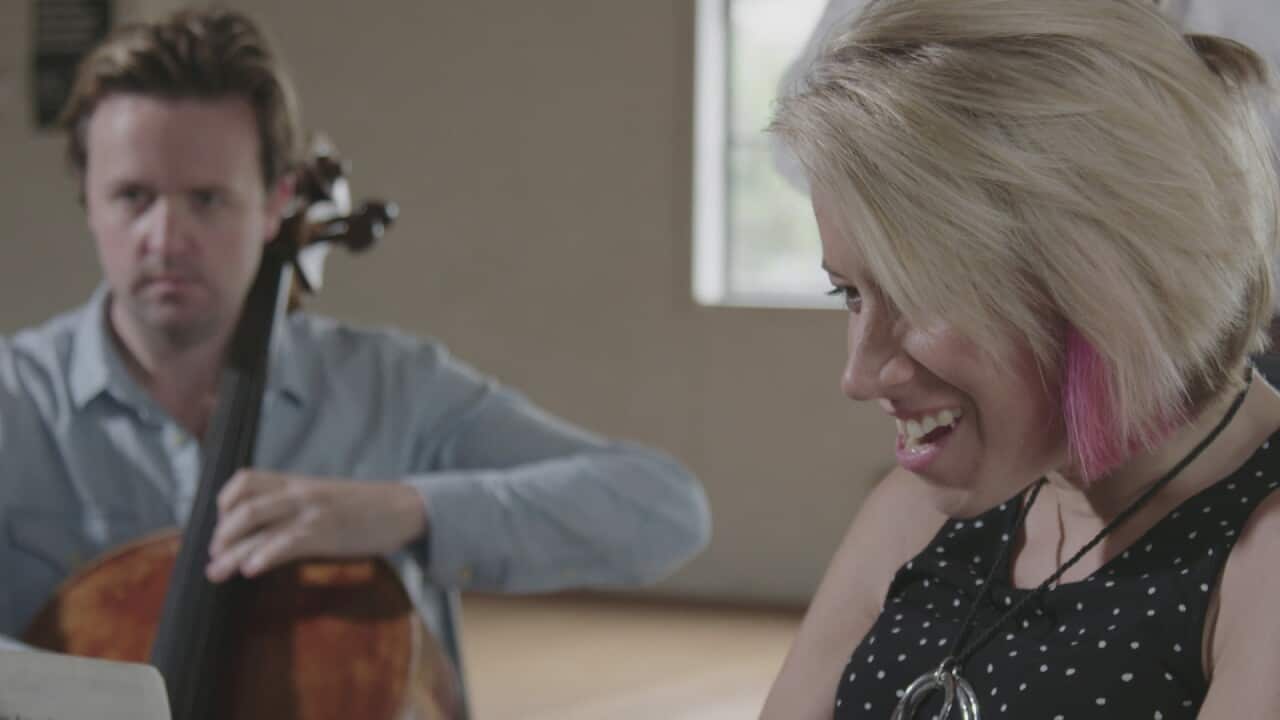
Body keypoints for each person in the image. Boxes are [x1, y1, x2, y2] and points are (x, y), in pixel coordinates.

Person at [0, 7, 710, 661]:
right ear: (87, 199)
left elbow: (665, 510)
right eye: (133, 196)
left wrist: (404, 510)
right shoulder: (15, 400)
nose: (165, 237)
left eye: (206, 199)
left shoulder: (391, 388)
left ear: (278, 202)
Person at [761, 0, 1280, 717]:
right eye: (848, 292)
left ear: (1105, 281)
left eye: (924, 295)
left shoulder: (1262, 558)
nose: (860, 375)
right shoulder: (917, 512)